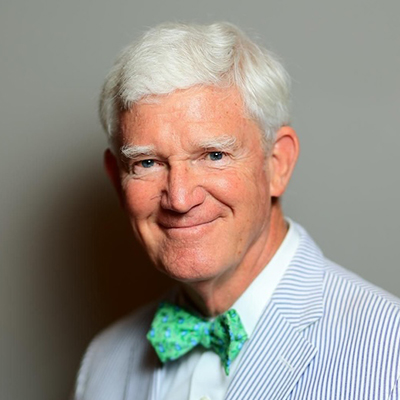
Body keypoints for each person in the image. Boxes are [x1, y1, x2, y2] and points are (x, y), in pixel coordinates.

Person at [73, 22, 400, 400]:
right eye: (147, 163)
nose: (179, 199)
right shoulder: (103, 361)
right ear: (118, 180)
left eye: (214, 155)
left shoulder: (389, 351)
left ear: (277, 163)